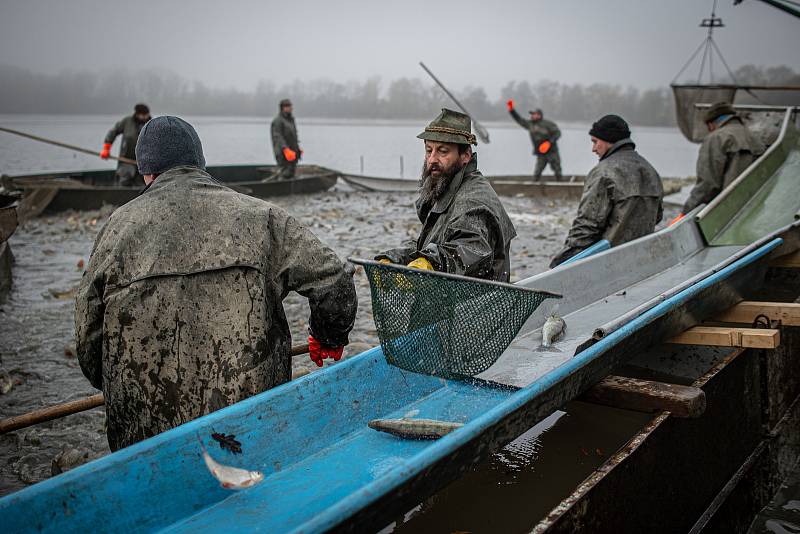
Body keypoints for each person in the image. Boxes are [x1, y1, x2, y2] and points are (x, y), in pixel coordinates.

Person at [76, 116, 357, 451]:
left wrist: (117, 383)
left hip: (143, 439)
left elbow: (89, 340)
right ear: (200, 162)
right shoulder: (264, 218)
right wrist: (328, 337)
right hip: (248, 428)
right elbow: (333, 281)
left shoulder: (115, 229)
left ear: (145, 171)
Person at [376, 108, 516, 282]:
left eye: (443, 151)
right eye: (429, 150)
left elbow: (470, 250)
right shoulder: (448, 187)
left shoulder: (472, 200)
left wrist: (430, 262)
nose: (432, 160)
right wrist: (396, 258)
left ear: (465, 155)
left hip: (476, 304)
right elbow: (433, 243)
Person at [551, 115, 663, 268]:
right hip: (641, 260)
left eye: (595, 142)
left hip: (607, 262)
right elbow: (657, 216)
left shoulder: (604, 172)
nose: (593, 149)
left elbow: (587, 225)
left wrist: (561, 263)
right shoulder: (650, 170)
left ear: (609, 140)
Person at [681, 102, 765, 214]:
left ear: (711, 124)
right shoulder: (755, 138)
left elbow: (708, 185)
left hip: (727, 212)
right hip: (756, 208)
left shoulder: (716, 138)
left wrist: (686, 212)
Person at [507, 100, 563, 181]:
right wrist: (512, 110)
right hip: (541, 153)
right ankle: (534, 186)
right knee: (537, 172)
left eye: (534, 114)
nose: (532, 116)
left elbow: (558, 133)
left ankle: (560, 184)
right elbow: (519, 120)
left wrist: (550, 142)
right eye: (532, 114)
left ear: (539, 115)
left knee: (557, 170)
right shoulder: (530, 124)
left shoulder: (548, 124)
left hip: (552, 151)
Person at [100, 103, 151, 186]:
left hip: (144, 163)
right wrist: (106, 148)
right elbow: (113, 132)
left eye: (146, 115)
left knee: (145, 185)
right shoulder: (127, 122)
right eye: (143, 115)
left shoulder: (151, 124)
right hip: (126, 161)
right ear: (138, 114)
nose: (145, 117)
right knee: (124, 180)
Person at [271, 98, 302, 180]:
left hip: (293, 152)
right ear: (283, 108)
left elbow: (294, 136)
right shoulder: (278, 121)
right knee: (284, 173)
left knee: (292, 172)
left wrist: (298, 149)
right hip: (283, 153)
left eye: (291, 106)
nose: (291, 108)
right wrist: (285, 149)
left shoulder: (291, 120)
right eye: (288, 106)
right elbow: (278, 137)